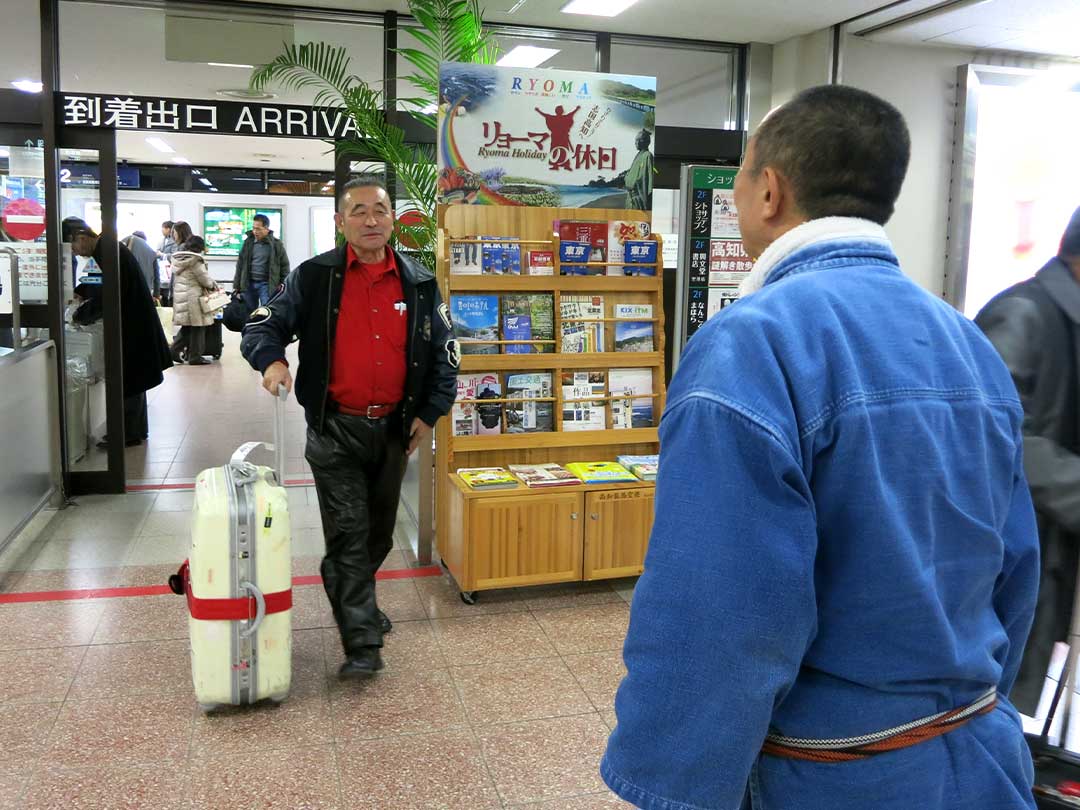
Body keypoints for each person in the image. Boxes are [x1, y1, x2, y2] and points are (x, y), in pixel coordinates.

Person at [601, 85, 1040, 810]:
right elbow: (1016, 568)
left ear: (768, 190)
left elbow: (720, 615)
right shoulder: (966, 342)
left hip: (834, 774)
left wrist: (672, 787)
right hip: (979, 757)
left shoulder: (752, 345)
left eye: (742, 172)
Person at [241, 176, 458, 678]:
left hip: (394, 432)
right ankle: (362, 643)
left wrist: (429, 413)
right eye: (358, 211)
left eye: (379, 210)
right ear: (340, 222)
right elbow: (262, 323)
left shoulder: (419, 281)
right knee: (349, 535)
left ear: (392, 219)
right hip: (334, 428)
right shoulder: (314, 277)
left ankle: (351, 592)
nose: (370, 220)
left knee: (377, 535)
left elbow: (447, 353)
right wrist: (271, 360)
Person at [976, 206, 1080, 720]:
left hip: (1045, 548)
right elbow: (996, 432)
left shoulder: (1066, 316)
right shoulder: (1025, 313)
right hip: (1008, 553)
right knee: (996, 700)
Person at [67, 219, 172, 447]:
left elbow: (107, 295)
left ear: (82, 238)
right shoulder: (105, 249)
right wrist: (77, 295)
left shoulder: (108, 251)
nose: (75, 252)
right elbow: (92, 282)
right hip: (132, 323)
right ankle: (132, 431)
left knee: (130, 379)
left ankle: (126, 433)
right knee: (134, 379)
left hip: (132, 325)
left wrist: (79, 315)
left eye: (73, 246)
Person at [169, 235, 217, 366]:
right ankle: (195, 357)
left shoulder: (179, 259)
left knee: (187, 328)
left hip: (181, 296)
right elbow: (205, 280)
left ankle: (172, 351)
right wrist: (214, 285)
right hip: (193, 298)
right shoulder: (195, 260)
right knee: (198, 327)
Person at [233, 213, 290, 309]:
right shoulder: (248, 243)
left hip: (266, 284)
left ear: (266, 229)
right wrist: (237, 285)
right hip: (248, 283)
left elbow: (284, 266)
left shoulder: (276, 245)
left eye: (258, 229)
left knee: (267, 310)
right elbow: (240, 264)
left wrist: (283, 284)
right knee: (247, 312)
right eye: (254, 228)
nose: (255, 231)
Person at [122, 230, 160, 300]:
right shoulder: (151, 252)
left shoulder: (129, 239)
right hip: (145, 290)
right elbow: (156, 275)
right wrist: (156, 294)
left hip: (127, 288)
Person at [623, 129, 654, 211]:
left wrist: (631, 181)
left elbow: (645, 178)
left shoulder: (647, 156)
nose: (636, 142)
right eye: (636, 140)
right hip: (631, 198)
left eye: (638, 140)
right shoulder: (639, 155)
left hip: (637, 199)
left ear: (644, 141)